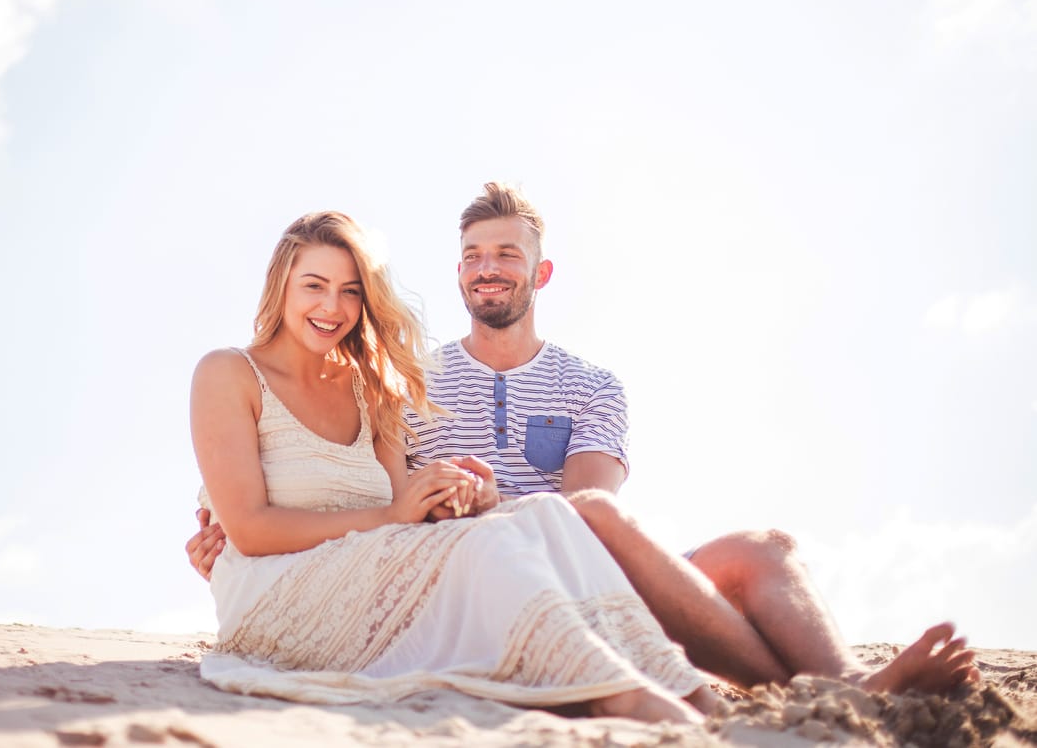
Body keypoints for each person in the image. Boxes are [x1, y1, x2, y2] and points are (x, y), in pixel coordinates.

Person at [189, 186, 979, 694]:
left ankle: (845, 683)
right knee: (584, 518)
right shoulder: (408, 385)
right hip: (480, 576)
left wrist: (499, 497)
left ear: (543, 272)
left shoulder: (592, 385)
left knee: (761, 545)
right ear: (457, 274)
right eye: (471, 257)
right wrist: (224, 528)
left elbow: (587, 504)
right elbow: (367, 496)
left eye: (505, 254)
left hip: (586, 563)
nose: (486, 269)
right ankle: (828, 699)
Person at [189, 210, 720, 725]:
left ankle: (682, 685)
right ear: (280, 284)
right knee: (486, 545)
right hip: (270, 590)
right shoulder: (228, 372)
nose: (334, 306)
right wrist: (394, 514)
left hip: (367, 567)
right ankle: (621, 696)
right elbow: (253, 531)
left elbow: (403, 518)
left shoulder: (372, 389)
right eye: (314, 285)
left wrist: (445, 497)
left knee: (541, 516)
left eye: (351, 290)